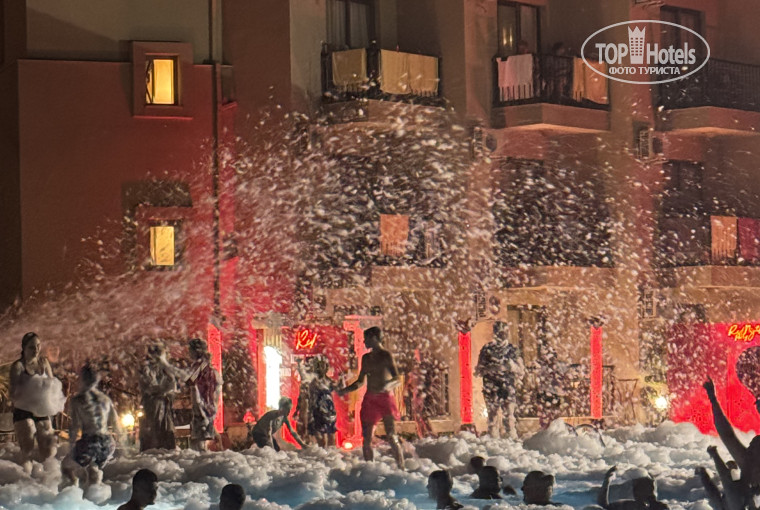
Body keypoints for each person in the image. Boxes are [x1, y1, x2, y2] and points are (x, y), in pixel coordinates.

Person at [337, 326, 404, 469]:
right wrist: (345, 390)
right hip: (370, 399)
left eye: (365, 339)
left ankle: (402, 468)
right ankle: (370, 469)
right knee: (366, 438)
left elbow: (397, 378)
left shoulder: (386, 355)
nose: (364, 342)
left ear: (373, 338)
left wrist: (388, 385)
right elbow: (360, 381)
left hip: (385, 398)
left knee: (391, 435)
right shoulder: (366, 358)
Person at [62, 363, 122, 489]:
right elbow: (116, 424)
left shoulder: (78, 400)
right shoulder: (105, 399)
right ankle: (95, 493)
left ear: (82, 379)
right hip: (108, 443)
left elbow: (74, 427)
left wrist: (71, 446)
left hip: (89, 442)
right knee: (93, 470)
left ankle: (73, 492)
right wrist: (123, 445)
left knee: (66, 466)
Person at [703, 379, 760, 507]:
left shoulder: (748, 462)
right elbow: (727, 435)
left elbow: (727, 435)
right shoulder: (748, 461)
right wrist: (713, 401)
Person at [9, 332, 60, 470]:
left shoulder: (44, 363)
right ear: (24, 348)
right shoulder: (18, 366)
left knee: (49, 451)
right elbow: (12, 394)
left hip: (41, 409)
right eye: (32, 347)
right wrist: (28, 390)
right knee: (28, 445)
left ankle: (45, 475)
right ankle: (25, 475)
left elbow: (53, 385)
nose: (36, 350)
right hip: (23, 410)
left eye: (38, 346)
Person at [475, 321, 524, 439]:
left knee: (509, 416)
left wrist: (511, 366)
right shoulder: (487, 349)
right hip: (491, 386)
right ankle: (493, 439)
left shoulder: (512, 350)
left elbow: (521, 370)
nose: (502, 334)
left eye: (504, 332)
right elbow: (479, 370)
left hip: (507, 387)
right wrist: (491, 368)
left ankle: (511, 438)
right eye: (499, 332)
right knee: (492, 416)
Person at [139, 342, 180, 451]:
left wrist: (168, 390)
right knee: (154, 429)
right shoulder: (148, 369)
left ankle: (163, 448)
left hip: (164, 404)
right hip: (153, 404)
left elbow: (173, 384)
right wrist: (164, 389)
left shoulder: (165, 369)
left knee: (164, 428)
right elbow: (150, 386)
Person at [185, 338, 222, 451]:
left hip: (202, 404)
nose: (189, 353)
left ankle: (203, 455)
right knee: (205, 432)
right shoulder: (208, 367)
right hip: (209, 403)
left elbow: (190, 380)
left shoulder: (199, 366)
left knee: (199, 438)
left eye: (190, 350)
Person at [598, 466, 668, 510]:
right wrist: (606, 482)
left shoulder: (660, 507)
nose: (634, 491)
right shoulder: (630, 505)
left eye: (637, 488)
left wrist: (606, 482)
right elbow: (605, 507)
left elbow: (605, 506)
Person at [308, 355, 338, 447]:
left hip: (330, 411)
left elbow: (338, 391)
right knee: (322, 438)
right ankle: (323, 452)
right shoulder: (313, 382)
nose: (320, 368)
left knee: (331, 435)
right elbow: (311, 398)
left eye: (322, 365)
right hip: (319, 411)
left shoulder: (330, 381)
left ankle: (331, 453)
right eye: (318, 365)